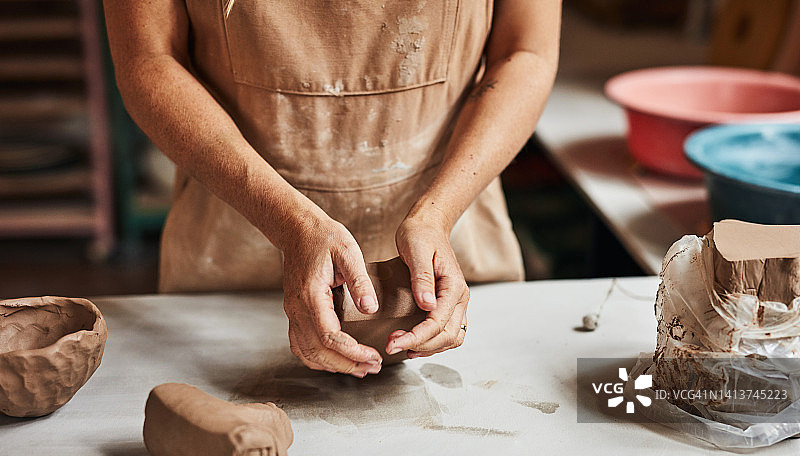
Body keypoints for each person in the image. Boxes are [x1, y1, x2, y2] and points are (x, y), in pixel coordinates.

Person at [103, 0, 561, 378]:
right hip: (235, 247)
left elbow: (526, 52)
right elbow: (149, 58)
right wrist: (289, 222)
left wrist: (438, 213)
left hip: (452, 235)